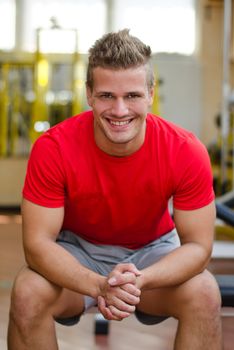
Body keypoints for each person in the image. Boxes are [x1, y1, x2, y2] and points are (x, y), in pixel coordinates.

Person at [8, 29, 222, 350]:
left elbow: (199, 248)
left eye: (132, 96)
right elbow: (37, 245)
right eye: (108, 96)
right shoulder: (53, 148)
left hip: (152, 253)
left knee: (205, 293)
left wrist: (140, 280)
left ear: (150, 94)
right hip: (78, 251)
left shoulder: (184, 150)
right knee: (27, 292)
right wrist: (97, 284)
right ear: (90, 94)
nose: (120, 111)